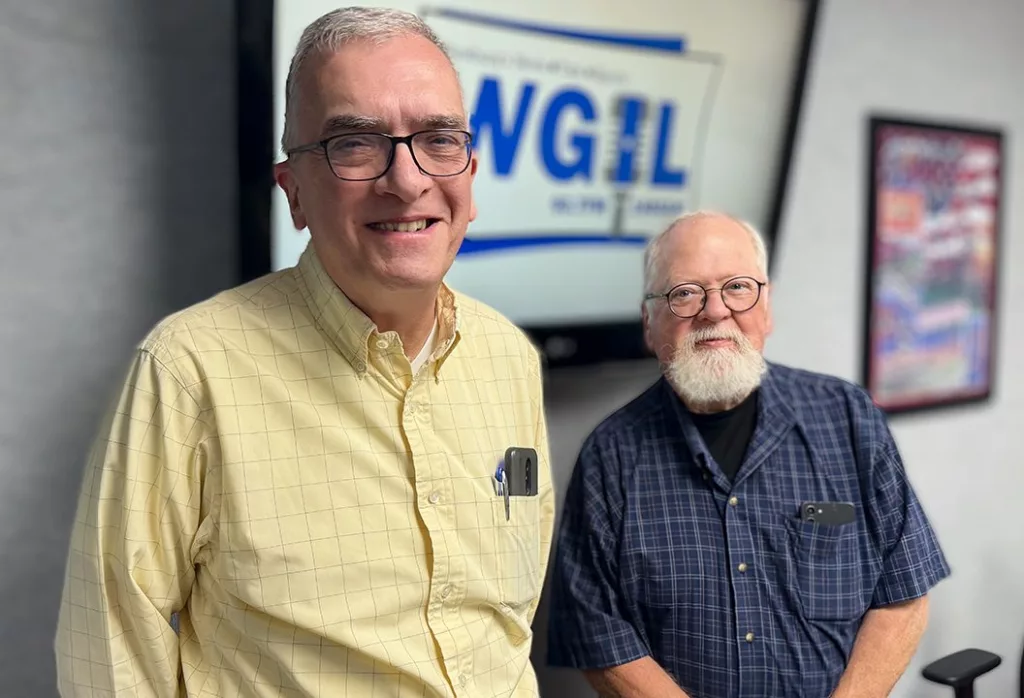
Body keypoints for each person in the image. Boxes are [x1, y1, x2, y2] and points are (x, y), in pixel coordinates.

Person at [54, 7, 554, 697]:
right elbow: (108, 658)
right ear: (294, 193)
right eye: (354, 144)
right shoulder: (189, 370)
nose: (407, 181)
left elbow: (509, 617)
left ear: (468, 175)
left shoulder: (508, 356)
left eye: (438, 138)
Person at [546, 211, 950, 698]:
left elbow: (903, 594)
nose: (715, 311)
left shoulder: (849, 418)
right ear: (649, 323)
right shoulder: (609, 457)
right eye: (685, 293)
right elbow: (600, 641)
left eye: (737, 287)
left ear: (767, 308)